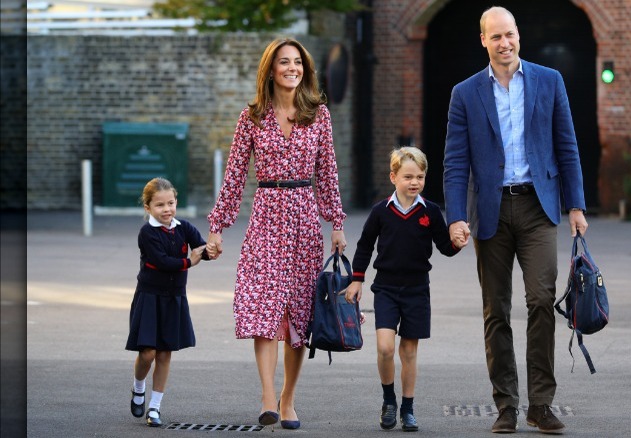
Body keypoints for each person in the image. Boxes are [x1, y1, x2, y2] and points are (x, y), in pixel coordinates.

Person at [443, 6, 589, 435]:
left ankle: (540, 404)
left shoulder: (549, 81)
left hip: (538, 207)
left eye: (510, 35)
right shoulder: (465, 93)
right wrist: (455, 217)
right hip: (489, 211)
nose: (504, 43)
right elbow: (455, 163)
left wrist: (576, 206)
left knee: (542, 301)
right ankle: (506, 404)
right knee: (496, 311)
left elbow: (568, 146)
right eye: (496, 37)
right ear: (483, 40)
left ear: (518, 36)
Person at [204, 37, 347, 430]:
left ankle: (288, 398)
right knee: (263, 308)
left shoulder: (318, 115)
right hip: (266, 217)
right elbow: (233, 177)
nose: (291, 68)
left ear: (305, 69)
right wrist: (217, 227)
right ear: (270, 69)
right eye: (283, 62)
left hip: (304, 220)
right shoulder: (250, 117)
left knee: (299, 316)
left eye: (297, 63)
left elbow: (328, 174)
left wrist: (336, 222)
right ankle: (268, 396)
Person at [344, 146, 467, 432]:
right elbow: (364, 246)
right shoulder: (380, 212)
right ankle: (389, 401)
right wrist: (357, 278)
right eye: (408, 176)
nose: (415, 182)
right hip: (386, 288)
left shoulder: (431, 211)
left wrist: (457, 244)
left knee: (409, 352)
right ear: (393, 177)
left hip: (416, 291)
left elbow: (444, 247)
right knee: (386, 348)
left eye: (420, 177)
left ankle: (408, 408)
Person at [126, 177, 209, 427]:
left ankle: (154, 408)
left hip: (174, 298)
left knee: (164, 354)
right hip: (149, 297)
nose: (167, 209)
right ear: (148, 208)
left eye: (171, 203)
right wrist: (189, 261)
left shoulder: (183, 227)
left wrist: (211, 251)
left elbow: (201, 247)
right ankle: (138, 387)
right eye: (160, 205)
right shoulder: (147, 233)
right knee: (148, 353)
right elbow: (162, 262)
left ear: (176, 202)